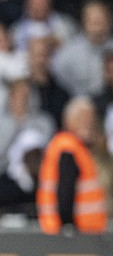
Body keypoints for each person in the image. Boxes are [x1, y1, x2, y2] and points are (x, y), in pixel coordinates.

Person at [37, 97, 108, 234]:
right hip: (74, 233)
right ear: (69, 121)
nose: (88, 124)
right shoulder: (68, 148)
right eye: (83, 119)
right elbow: (65, 190)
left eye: (90, 119)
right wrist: (68, 226)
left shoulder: (74, 147)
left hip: (82, 231)